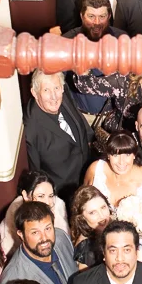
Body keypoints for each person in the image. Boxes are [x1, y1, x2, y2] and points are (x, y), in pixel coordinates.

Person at [0, 202, 77, 284]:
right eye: (35, 232)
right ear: (21, 234)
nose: (44, 238)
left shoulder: (61, 238)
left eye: (48, 228)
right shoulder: (13, 278)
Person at [23, 70, 94, 201]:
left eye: (56, 88)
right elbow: (35, 174)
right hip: (64, 194)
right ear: (34, 93)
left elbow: (78, 118)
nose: (54, 96)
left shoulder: (64, 95)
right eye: (46, 90)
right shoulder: (31, 129)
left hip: (87, 174)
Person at [84, 131, 142, 212]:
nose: (121, 162)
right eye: (115, 155)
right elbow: (82, 203)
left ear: (134, 155)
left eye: (127, 155)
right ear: (108, 155)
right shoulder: (96, 170)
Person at [70, 185, 112, 268]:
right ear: (81, 218)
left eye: (103, 207)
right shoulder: (86, 249)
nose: (101, 216)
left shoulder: (113, 229)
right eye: (92, 212)